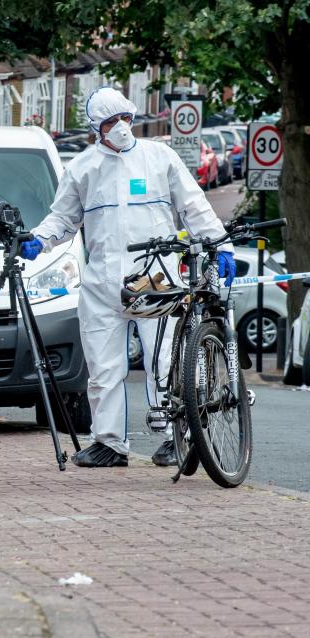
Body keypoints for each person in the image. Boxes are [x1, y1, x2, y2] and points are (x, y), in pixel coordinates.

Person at [21, 87, 235, 468]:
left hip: (156, 279)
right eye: (109, 122)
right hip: (104, 282)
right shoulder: (83, 168)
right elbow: (63, 218)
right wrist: (40, 240)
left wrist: (220, 244)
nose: (119, 127)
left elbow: (193, 205)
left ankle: (177, 436)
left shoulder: (159, 157)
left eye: (124, 118)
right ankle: (109, 442)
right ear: (95, 129)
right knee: (103, 368)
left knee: (165, 362)